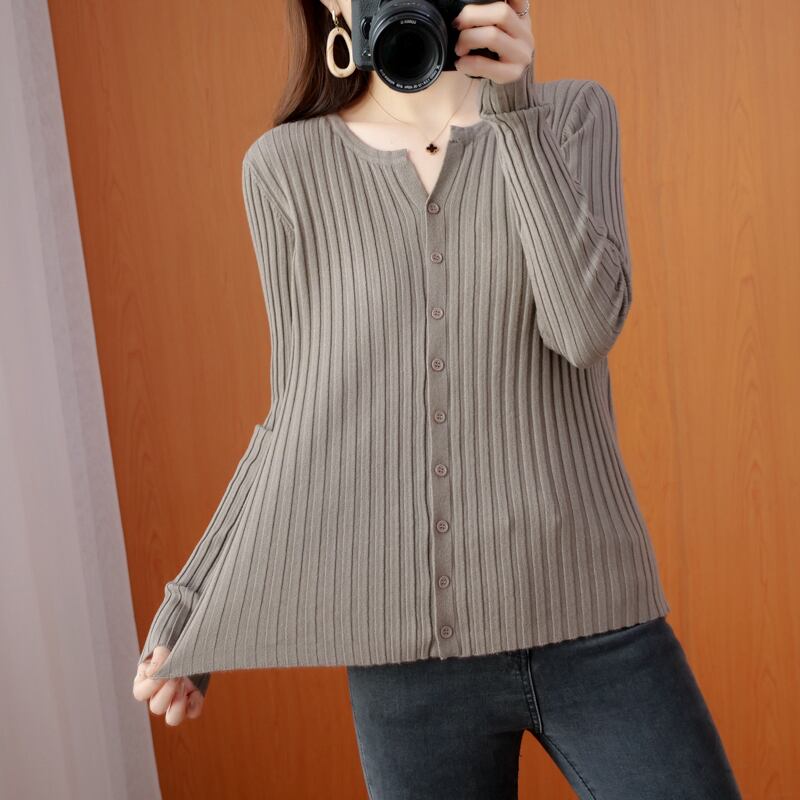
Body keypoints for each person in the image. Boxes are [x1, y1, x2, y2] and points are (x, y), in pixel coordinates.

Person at [133, 0, 743, 797]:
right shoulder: (285, 170)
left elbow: (584, 328)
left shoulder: (571, 115)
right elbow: (296, 423)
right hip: (406, 667)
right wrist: (197, 611)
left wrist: (514, 113)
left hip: (593, 618)